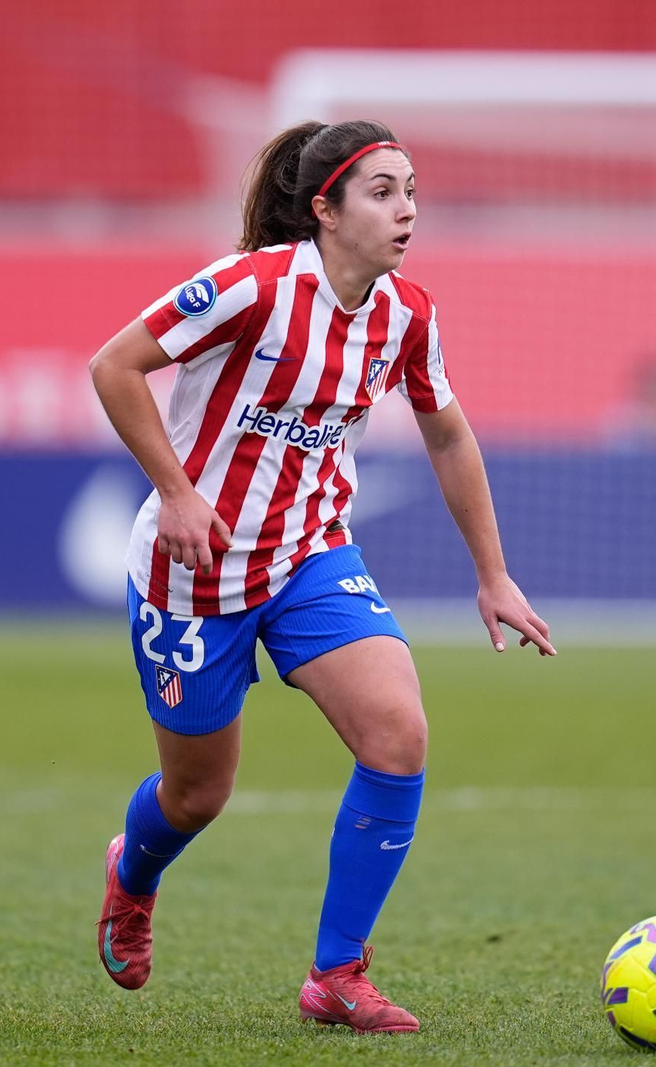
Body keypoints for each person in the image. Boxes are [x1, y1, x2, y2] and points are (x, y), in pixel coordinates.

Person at [86, 119, 556, 1035]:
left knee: (397, 731)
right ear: (324, 212)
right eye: (382, 193)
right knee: (197, 794)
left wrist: (493, 573)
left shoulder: (407, 314)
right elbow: (115, 366)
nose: (406, 210)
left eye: (411, 190)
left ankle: (336, 973)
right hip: (196, 569)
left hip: (309, 556)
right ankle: (131, 874)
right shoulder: (251, 288)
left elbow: (448, 432)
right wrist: (177, 494)